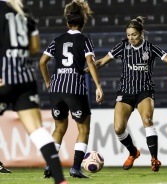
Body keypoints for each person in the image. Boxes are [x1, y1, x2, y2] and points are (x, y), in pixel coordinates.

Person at [93, 16, 167, 172]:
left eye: (134, 34)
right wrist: (86, 70)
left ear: (141, 33)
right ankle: (133, 152)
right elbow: (101, 62)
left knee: (147, 119)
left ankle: (154, 159)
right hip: (125, 92)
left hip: (144, 91)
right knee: (118, 128)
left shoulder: (150, 48)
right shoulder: (122, 46)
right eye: (128, 35)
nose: (130, 38)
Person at [0, 0, 67, 183]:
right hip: (26, 79)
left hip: (3, 78)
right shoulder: (25, 13)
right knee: (37, 131)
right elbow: (35, 48)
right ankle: (60, 180)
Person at [39, 0, 104, 179]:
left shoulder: (57, 40)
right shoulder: (84, 40)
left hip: (56, 88)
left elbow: (42, 62)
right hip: (74, 88)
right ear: (83, 23)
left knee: (59, 128)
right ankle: (75, 167)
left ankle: (49, 165)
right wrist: (98, 86)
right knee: (83, 129)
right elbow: (90, 63)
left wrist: (47, 82)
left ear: (67, 22)